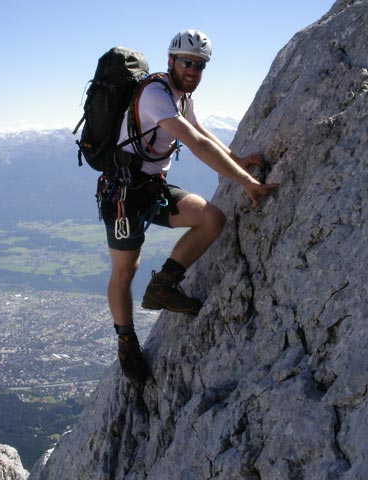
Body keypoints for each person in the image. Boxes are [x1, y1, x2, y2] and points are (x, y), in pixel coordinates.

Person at [99, 29, 279, 382]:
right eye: (187, 63)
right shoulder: (155, 95)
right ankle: (126, 342)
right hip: (123, 194)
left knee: (212, 219)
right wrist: (246, 182)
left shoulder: (180, 97)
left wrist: (237, 159)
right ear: (171, 61)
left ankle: (163, 285)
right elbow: (195, 143)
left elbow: (201, 131)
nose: (193, 71)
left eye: (199, 65)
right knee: (124, 271)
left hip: (152, 188)